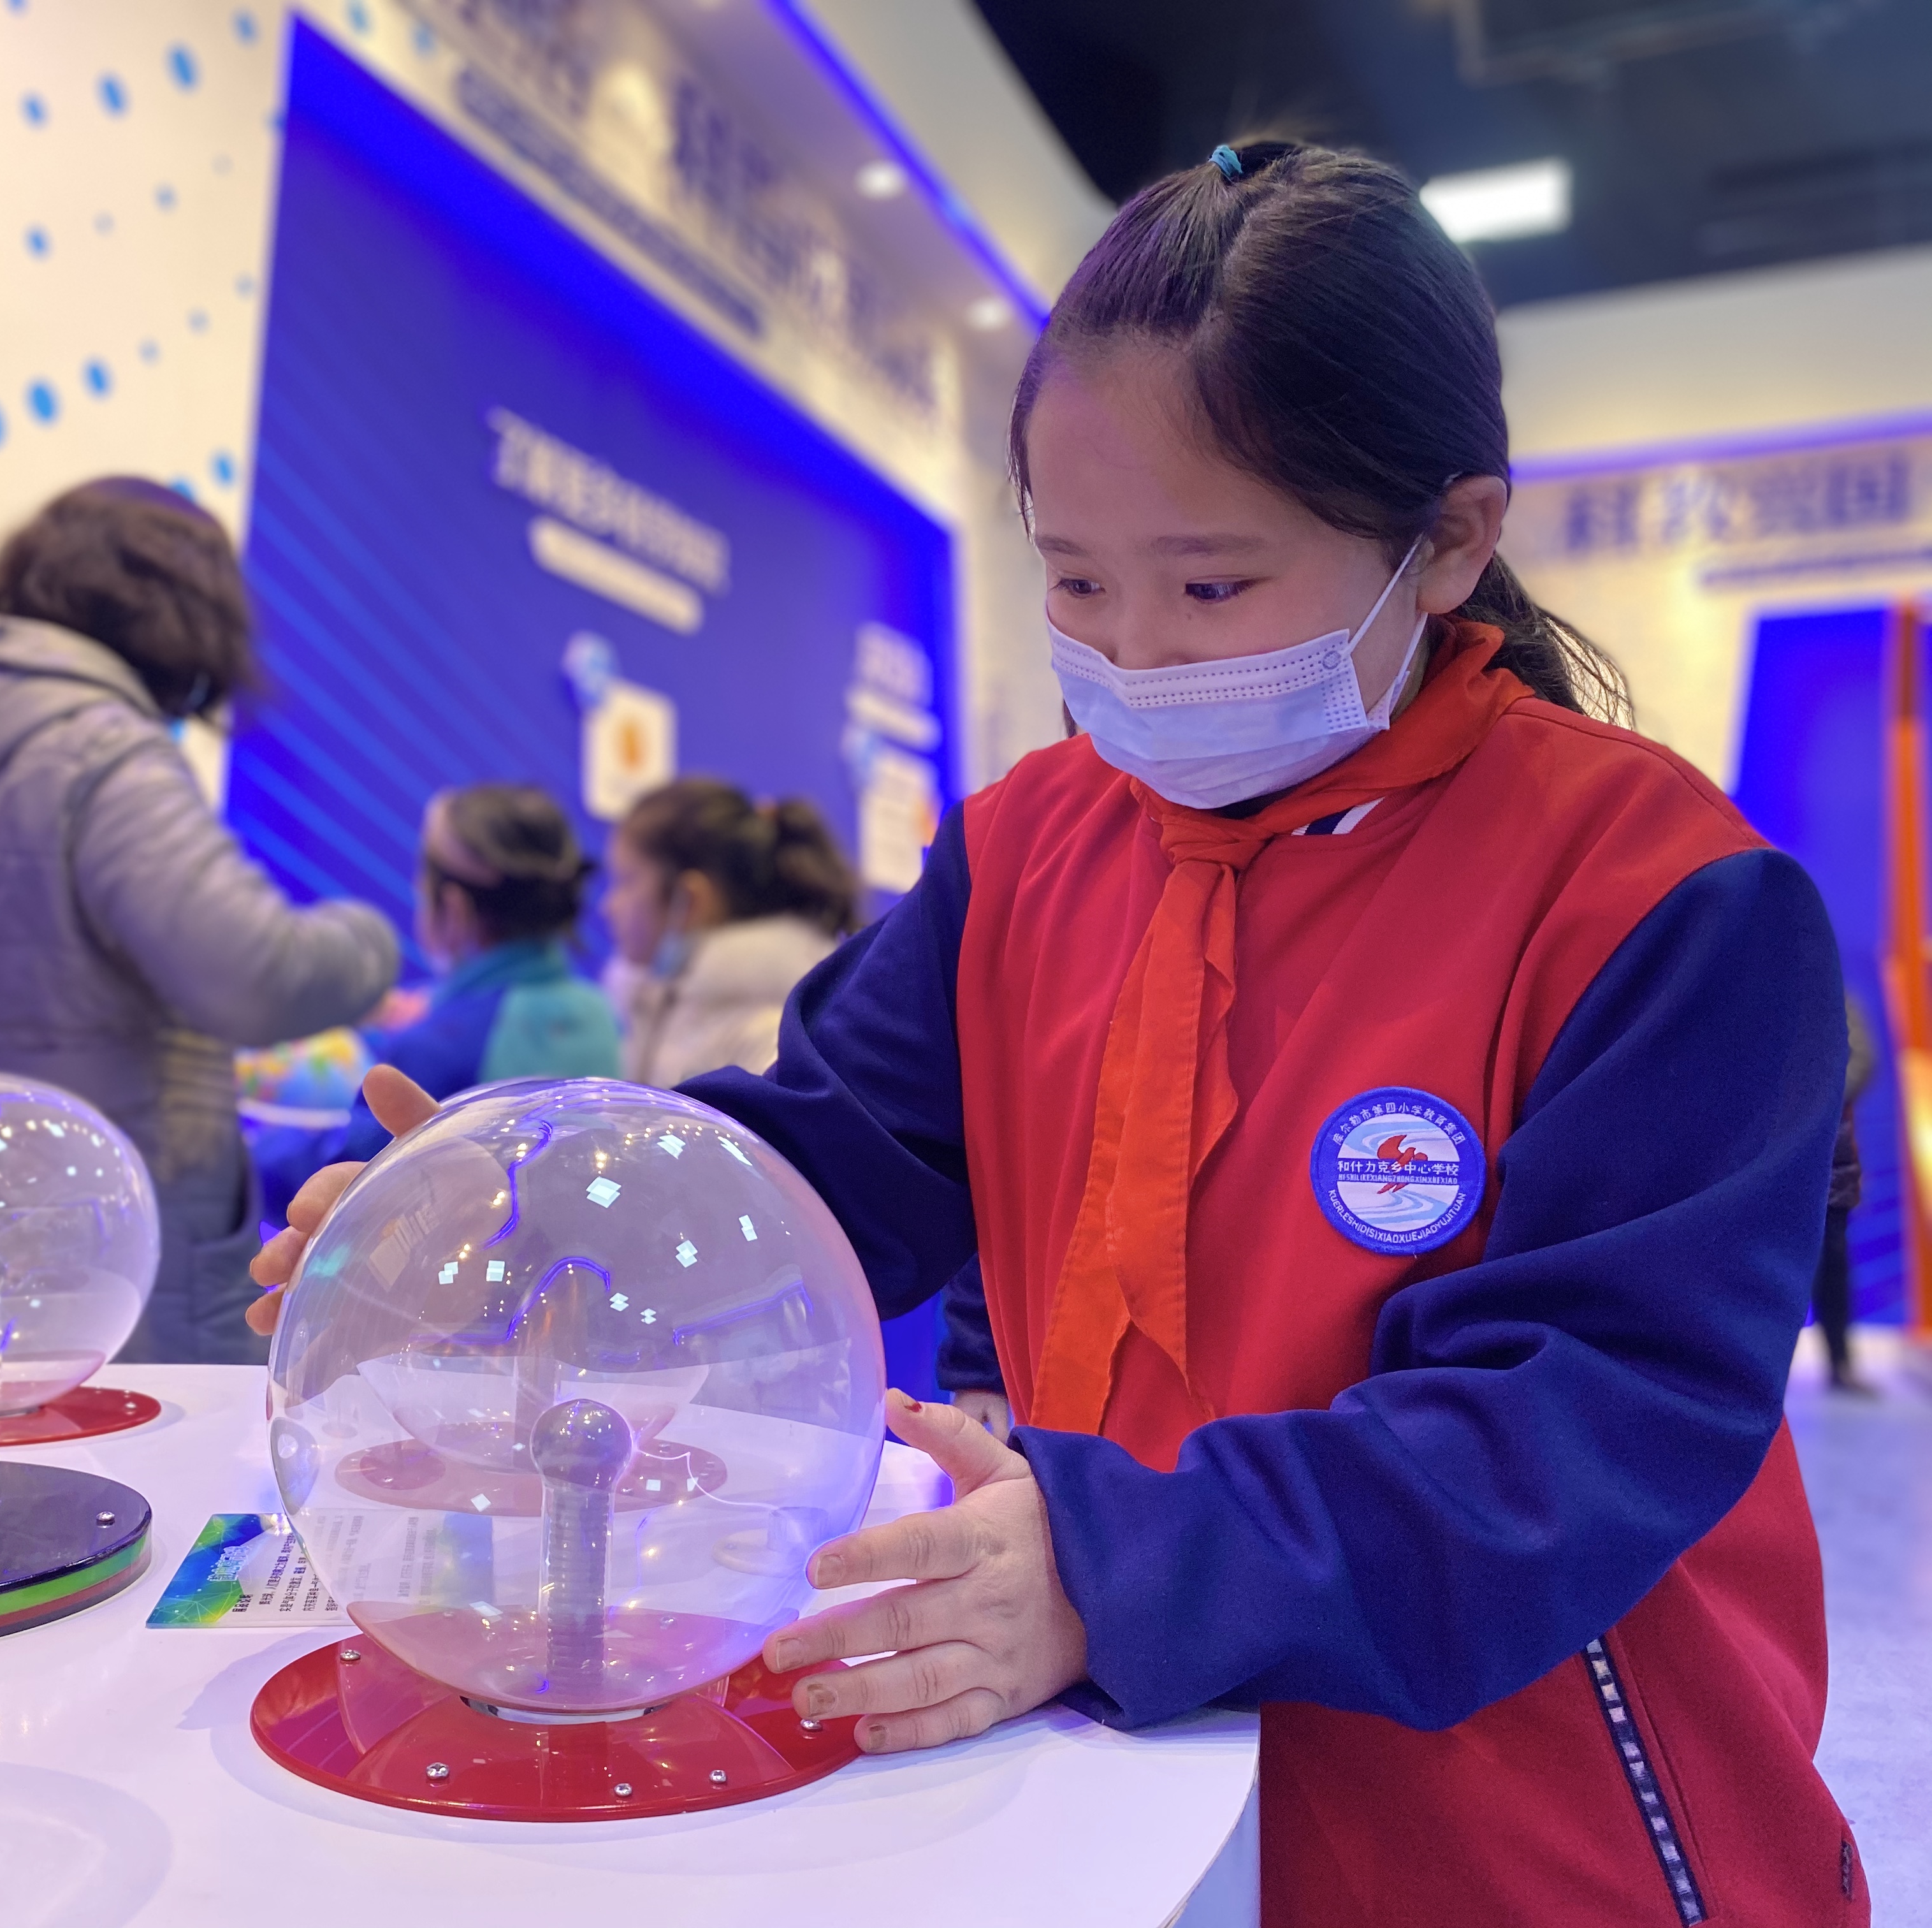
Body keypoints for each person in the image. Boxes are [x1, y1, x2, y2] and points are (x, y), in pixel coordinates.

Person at [249, 143, 1861, 1924]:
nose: (1138, 656)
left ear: (1452, 541)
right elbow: (828, 1163)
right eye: (1077, 583)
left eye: (1213, 587)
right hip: (1119, 1773)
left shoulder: (1657, 898)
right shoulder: (1026, 850)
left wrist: (1118, 1566)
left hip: (1511, 1814)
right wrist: (533, 1212)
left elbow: (1583, 1424)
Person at [0, 476, 398, 1367]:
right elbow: (254, 976)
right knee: (148, 1457)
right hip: (117, 1242)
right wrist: (372, 941)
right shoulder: (104, 746)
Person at [251, 784, 621, 1215]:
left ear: (455, 907)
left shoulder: (433, 1050)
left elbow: (342, 1184)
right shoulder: (598, 1010)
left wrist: (245, 1148)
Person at [602, 777, 858, 1085]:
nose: (609, 906)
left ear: (690, 899)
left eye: (627, 880)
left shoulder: (770, 1036)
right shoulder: (665, 1004)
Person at [1817, 989, 1877, 1394]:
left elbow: (1864, 1060)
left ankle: (1840, 1361)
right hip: (1770, 1156)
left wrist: (1814, 1100)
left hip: (1830, 1157)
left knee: (1833, 1263)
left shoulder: (1836, 993)